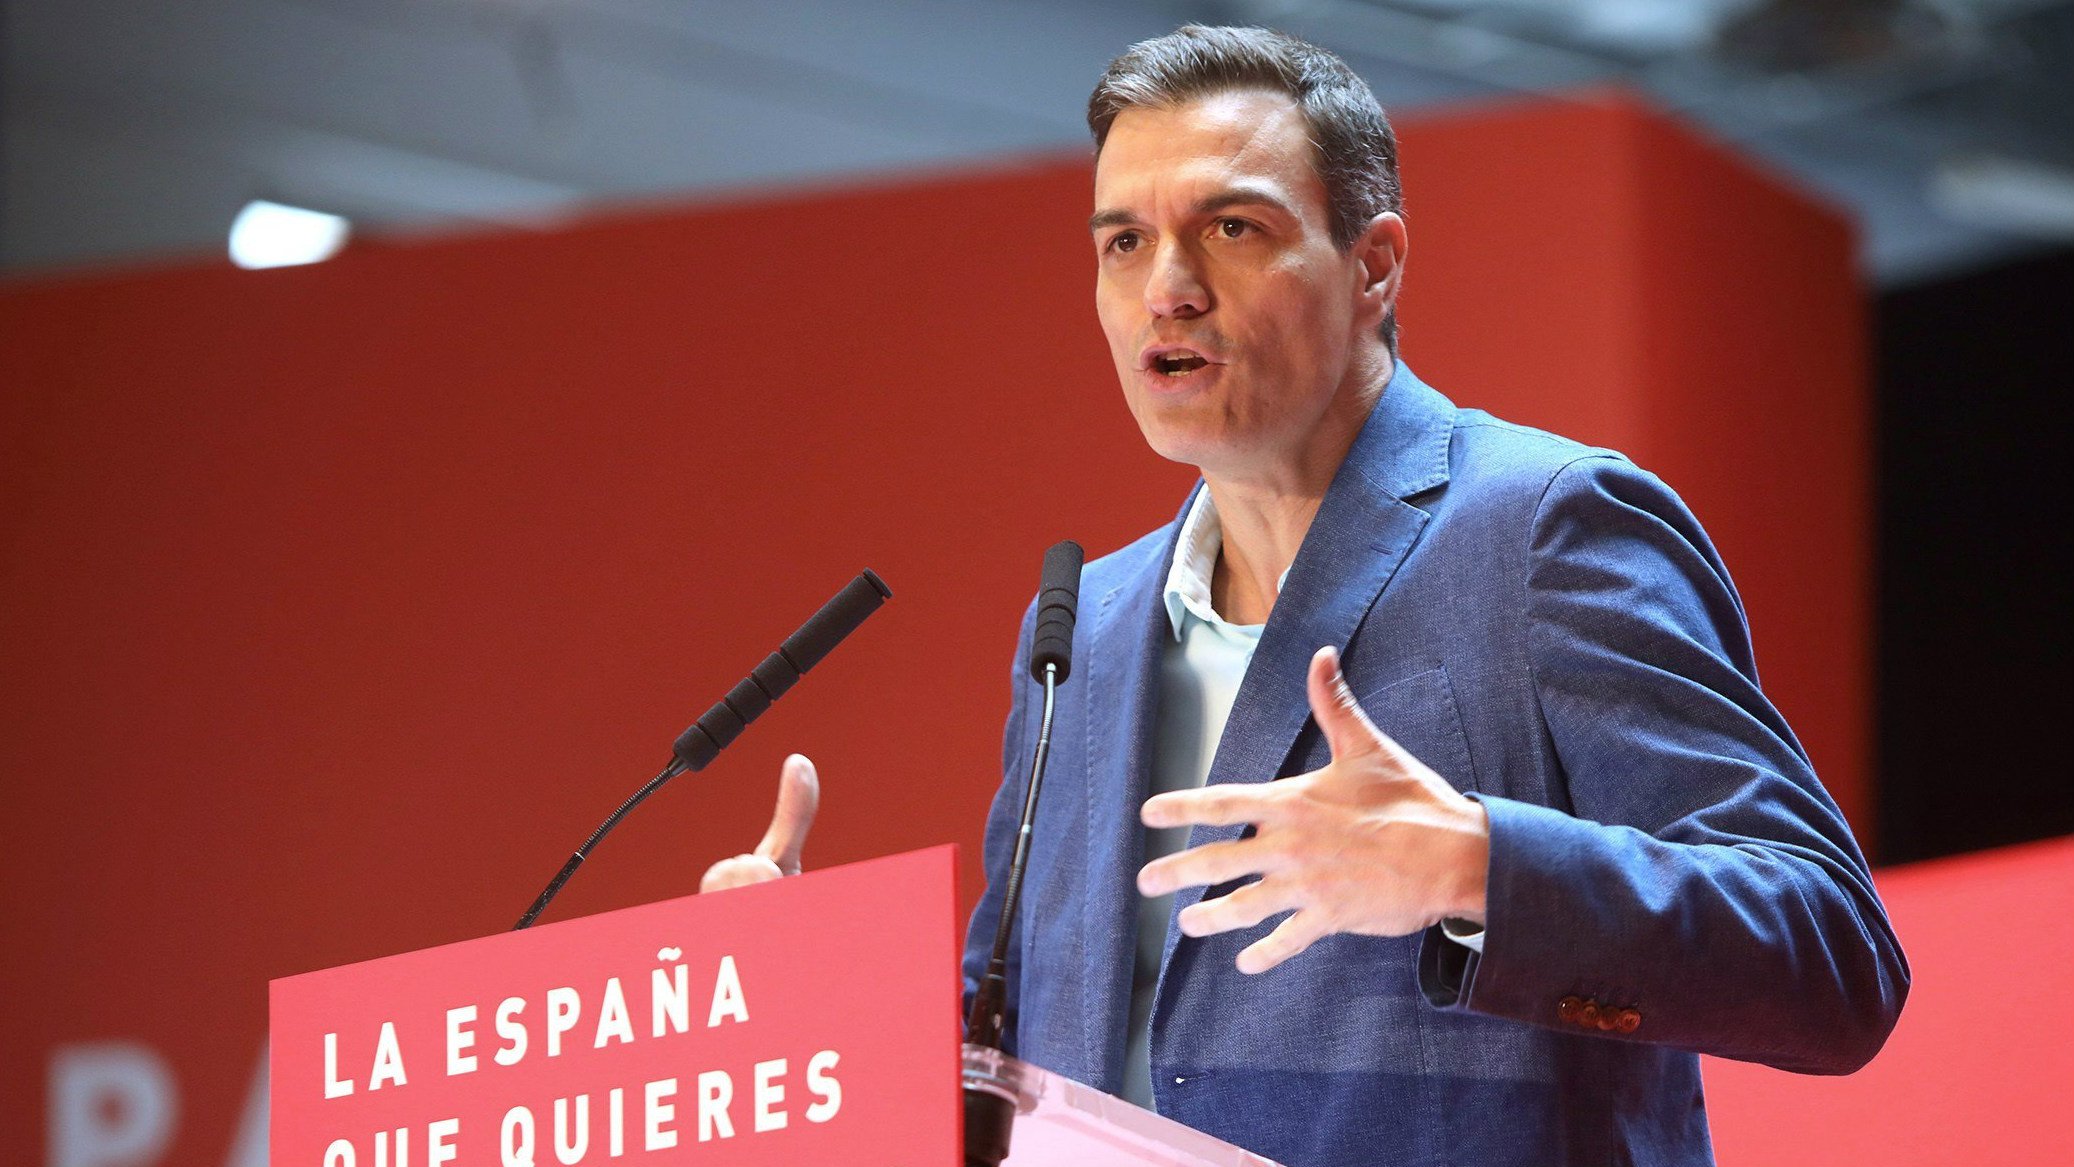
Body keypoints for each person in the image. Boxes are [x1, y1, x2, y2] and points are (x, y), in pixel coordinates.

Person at [705, 24, 1908, 1167]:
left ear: (1372, 263)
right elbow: (1010, 1061)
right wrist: (823, 1008)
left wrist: (1480, 867)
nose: (1166, 288)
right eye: (1122, 242)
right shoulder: (1088, 628)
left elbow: (1831, 961)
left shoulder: (1544, 527)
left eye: (1229, 227)